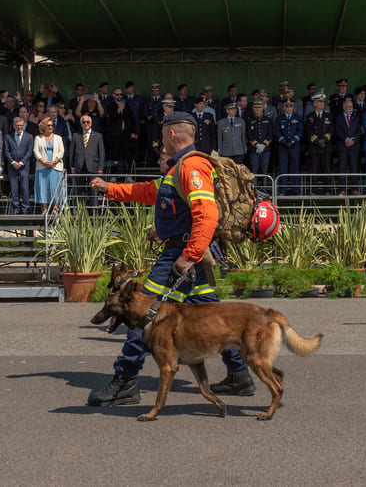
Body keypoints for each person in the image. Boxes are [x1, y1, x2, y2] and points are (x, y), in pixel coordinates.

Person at [86, 112, 256, 407]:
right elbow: (148, 192)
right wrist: (109, 189)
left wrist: (189, 256)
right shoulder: (178, 169)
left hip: (182, 256)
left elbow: (207, 214)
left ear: (173, 136)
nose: (160, 139)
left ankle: (125, 381)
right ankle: (240, 376)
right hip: (188, 254)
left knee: (142, 314)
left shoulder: (191, 167)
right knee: (212, 315)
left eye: (163, 134)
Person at [69, 115, 104, 204]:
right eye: (84, 122)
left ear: (91, 123)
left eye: (87, 122)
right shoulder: (76, 136)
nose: (86, 124)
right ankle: (79, 212)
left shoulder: (98, 136)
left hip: (93, 166)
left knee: (93, 190)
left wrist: (100, 167)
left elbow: (101, 153)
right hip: (79, 166)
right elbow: (71, 152)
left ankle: (94, 212)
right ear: (81, 123)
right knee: (79, 191)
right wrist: (72, 166)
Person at [304, 94, 334, 194]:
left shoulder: (328, 116)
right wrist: (317, 141)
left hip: (326, 146)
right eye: (319, 102)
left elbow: (331, 130)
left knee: (327, 168)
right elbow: (308, 131)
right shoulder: (310, 117)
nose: (321, 104)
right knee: (314, 169)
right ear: (315, 103)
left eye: (322, 102)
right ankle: (314, 190)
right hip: (314, 147)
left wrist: (324, 140)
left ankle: (327, 190)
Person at [34, 117, 65, 210]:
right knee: (43, 188)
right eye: (48, 125)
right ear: (44, 126)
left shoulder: (58, 138)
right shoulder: (38, 138)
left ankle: (55, 208)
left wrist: (54, 161)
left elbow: (61, 151)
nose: (50, 127)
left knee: (55, 187)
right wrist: (44, 162)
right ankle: (45, 209)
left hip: (55, 167)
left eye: (52, 125)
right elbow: (35, 151)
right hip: (42, 167)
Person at [5, 116, 33, 214]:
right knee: (14, 188)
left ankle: (25, 208)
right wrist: (13, 162)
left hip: (24, 166)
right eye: (17, 126)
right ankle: (16, 208)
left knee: (25, 188)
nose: (19, 127)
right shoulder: (8, 137)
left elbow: (30, 151)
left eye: (21, 125)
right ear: (13, 126)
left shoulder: (29, 137)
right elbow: (7, 151)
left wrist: (21, 163)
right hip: (12, 167)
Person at [334, 97, 362, 195]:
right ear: (344, 107)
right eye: (348, 107)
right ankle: (343, 189)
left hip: (354, 146)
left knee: (354, 168)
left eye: (351, 107)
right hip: (343, 146)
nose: (350, 108)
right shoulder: (338, 118)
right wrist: (346, 139)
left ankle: (354, 189)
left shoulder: (356, 118)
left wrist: (353, 140)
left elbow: (359, 131)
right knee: (342, 168)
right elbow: (337, 131)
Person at [276, 99, 302, 195]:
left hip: (294, 146)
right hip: (283, 147)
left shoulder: (298, 118)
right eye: (287, 106)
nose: (289, 108)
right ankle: (283, 190)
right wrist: (283, 141)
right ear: (284, 107)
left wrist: (292, 141)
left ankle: (296, 190)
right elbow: (277, 132)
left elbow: (300, 131)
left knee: (294, 168)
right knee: (283, 168)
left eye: (290, 106)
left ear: (293, 107)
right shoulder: (279, 118)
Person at [245, 99, 273, 175]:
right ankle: (255, 185)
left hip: (265, 148)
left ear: (263, 108)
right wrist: (257, 145)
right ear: (253, 108)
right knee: (254, 168)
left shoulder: (268, 120)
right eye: (256, 107)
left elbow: (270, 133)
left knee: (265, 167)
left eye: (259, 107)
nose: (258, 109)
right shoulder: (249, 120)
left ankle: (264, 185)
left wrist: (264, 145)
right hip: (254, 149)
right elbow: (248, 134)